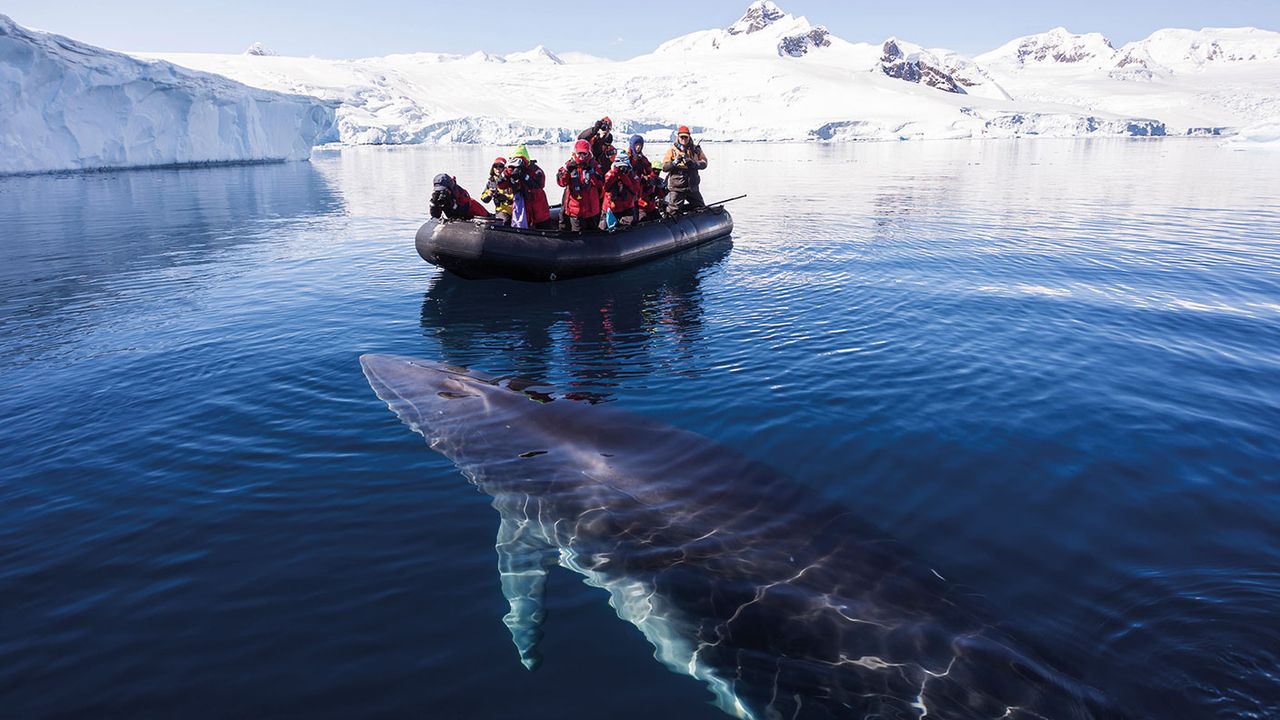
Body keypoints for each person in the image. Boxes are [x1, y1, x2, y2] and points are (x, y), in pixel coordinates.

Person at [556, 139, 605, 233]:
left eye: (584, 153)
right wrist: (566, 171)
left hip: (592, 209)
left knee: (593, 235)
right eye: (579, 153)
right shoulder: (569, 165)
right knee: (578, 236)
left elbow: (601, 184)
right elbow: (561, 183)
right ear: (575, 152)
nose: (582, 156)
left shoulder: (594, 165)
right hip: (576, 210)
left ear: (588, 153)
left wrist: (592, 173)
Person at [502, 145, 552, 229]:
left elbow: (540, 185)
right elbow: (502, 185)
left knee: (543, 226)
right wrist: (505, 175)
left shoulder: (534, 169)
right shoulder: (509, 171)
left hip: (538, 207)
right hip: (522, 207)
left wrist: (524, 176)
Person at [661, 125, 708, 216]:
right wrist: (674, 163)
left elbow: (704, 163)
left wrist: (693, 164)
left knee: (700, 207)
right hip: (677, 188)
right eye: (681, 137)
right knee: (673, 211)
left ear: (689, 137)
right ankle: (669, 214)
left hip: (692, 187)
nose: (683, 139)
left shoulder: (696, 150)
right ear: (678, 137)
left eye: (685, 137)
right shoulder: (672, 150)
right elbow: (665, 168)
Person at [601, 149, 641, 230]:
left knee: (627, 230)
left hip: (627, 208)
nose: (622, 169)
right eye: (620, 166)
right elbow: (605, 187)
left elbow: (635, 189)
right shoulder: (609, 174)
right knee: (604, 229)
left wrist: (624, 177)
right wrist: (614, 173)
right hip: (610, 208)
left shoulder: (632, 175)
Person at [627, 134, 662, 221]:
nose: (638, 147)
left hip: (639, 190)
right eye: (636, 145)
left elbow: (649, 171)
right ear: (632, 145)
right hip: (628, 189)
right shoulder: (626, 158)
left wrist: (653, 178)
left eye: (640, 145)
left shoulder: (642, 159)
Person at [480, 156, 514, 225]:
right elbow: (483, 198)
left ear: (505, 168)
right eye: (495, 166)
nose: (498, 169)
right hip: (501, 211)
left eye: (500, 166)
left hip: (514, 210)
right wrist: (489, 195)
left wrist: (505, 197)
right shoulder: (492, 181)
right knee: (502, 220)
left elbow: (517, 196)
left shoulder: (511, 180)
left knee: (504, 221)